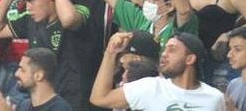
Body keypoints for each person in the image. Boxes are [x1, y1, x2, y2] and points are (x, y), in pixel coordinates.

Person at [90, 32, 224, 111]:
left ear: (189, 59)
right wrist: (110, 53)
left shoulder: (214, 98)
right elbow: (100, 98)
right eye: (164, 49)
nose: (164, 54)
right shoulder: (149, 87)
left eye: (172, 50)